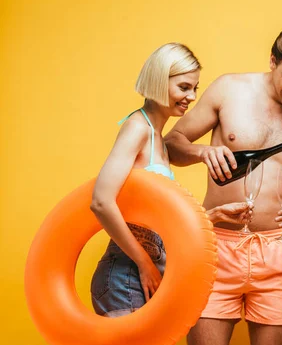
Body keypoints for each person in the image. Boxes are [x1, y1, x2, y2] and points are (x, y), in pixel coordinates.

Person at [164, 26, 282, 345]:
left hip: (279, 251)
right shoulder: (229, 89)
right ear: (273, 61)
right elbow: (171, 144)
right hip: (215, 246)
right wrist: (203, 152)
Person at [90, 43, 251, 317]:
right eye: (184, 87)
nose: (191, 96)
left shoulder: (159, 142)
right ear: (158, 80)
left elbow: (158, 220)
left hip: (145, 273)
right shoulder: (137, 128)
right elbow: (101, 202)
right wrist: (144, 263)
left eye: (195, 88)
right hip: (125, 275)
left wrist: (214, 215)